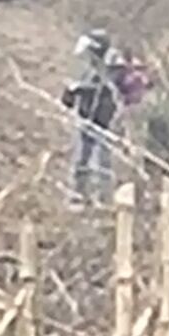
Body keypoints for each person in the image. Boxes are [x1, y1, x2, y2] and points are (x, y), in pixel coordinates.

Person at [62, 28, 120, 206]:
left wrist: (80, 89)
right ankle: (79, 195)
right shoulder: (88, 68)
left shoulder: (112, 67)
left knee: (101, 159)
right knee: (82, 158)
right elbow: (77, 89)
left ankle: (103, 197)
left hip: (102, 120)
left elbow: (106, 88)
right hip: (86, 118)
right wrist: (71, 93)